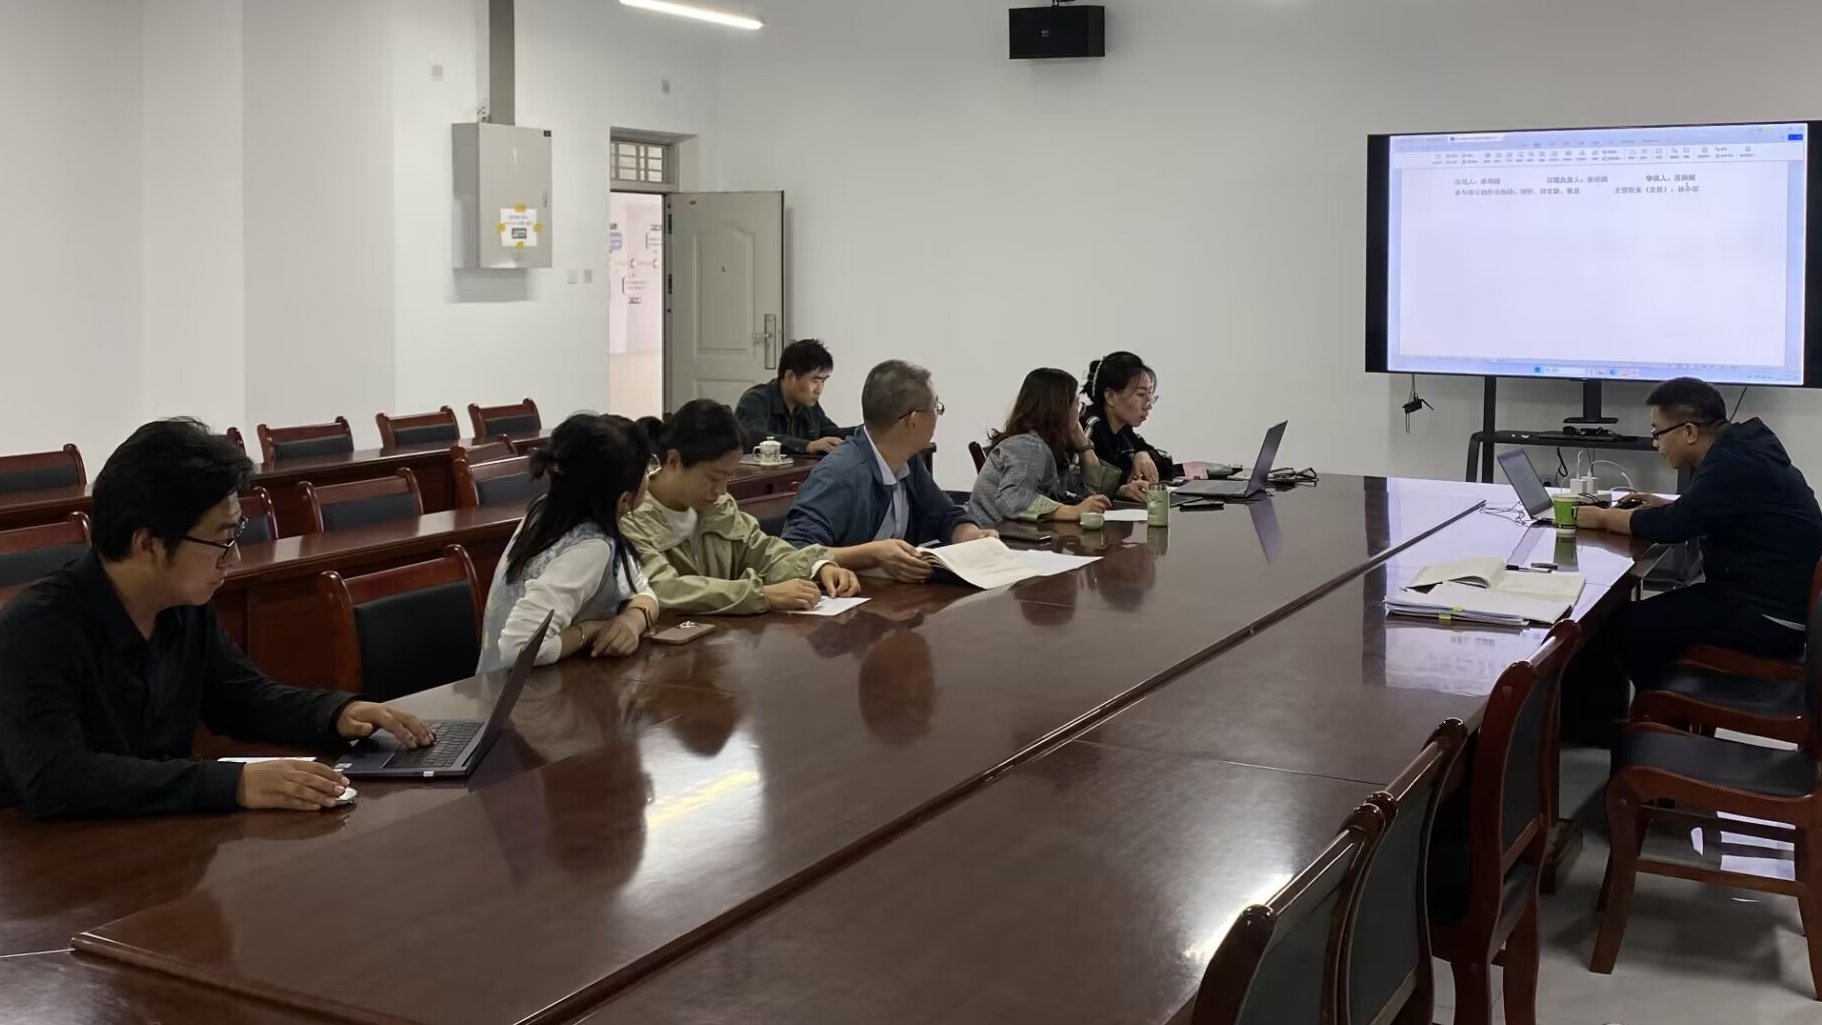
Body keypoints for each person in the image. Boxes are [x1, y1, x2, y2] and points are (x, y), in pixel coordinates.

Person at [0, 419, 433, 820]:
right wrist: (233, 784)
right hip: (55, 856)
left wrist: (337, 711)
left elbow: (242, 698)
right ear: (148, 544)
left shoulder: (184, 605)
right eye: (223, 540)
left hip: (155, 836)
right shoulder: (36, 628)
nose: (236, 557)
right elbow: (56, 779)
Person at [1567, 377, 1822, 741]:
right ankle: (1658, 718)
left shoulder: (1732, 465)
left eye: (1658, 433)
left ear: (1688, 432)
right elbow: (1708, 511)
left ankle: (1661, 723)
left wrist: (1601, 517)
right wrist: (1668, 505)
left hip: (1766, 619)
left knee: (1623, 626)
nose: (1656, 444)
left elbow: (1674, 527)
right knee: (1634, 620)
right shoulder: (1745, 448)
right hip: (1773, 603)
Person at [624, 399, 864, 614]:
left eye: (728, 477)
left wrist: (817, 566)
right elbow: (665, 589)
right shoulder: (631, 517)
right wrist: (761, 596)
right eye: (713, 477)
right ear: (674, 461)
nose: (721, 490)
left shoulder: (717, 506)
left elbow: (762, 551)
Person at [477, 413, 661, 673]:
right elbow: (519, 650)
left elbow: (641, 588)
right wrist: (592, 629)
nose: (650, 475)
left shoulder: (547, 511)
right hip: (521, 690)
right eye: (646, 470)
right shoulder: (591, 549)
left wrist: (633, 619)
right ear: (624, 499)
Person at [782, 360, 995, 580]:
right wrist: (872, 554)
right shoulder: (841, 473)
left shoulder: (909, 460)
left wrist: (972, 536)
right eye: (935, 407)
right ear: (913, 420)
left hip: (895, 593)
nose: (937, 415)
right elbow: (794, 552)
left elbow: (943, 515)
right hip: (847, 596)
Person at [969, 368, 1144, 525]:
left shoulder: (1048, 446)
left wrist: (1083, 444)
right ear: (1060, 408)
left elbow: (1091, 493)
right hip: (993, 541)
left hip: (1016, 537)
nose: (1080, 411)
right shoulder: (1029, 446)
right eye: (1077, 404)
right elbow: (1013, 499)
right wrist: (1073, 512)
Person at [734, 338, 855, 456]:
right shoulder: (755, 400)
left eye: (823, 381)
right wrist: (807, 446)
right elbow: (754, 437)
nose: (819, 390)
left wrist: (863, 430)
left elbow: (830, 433)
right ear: (790, 376)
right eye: (815, 381)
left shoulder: (809, 404)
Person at [1080, 351, 1179, 486]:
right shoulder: (1089, 427)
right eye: (1141, 395)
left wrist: (1144, 455)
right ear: (1111, 396)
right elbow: (1077, 480)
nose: (1149, 406)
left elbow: (1167, 463)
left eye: (1150, 395)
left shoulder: (1125, 431)